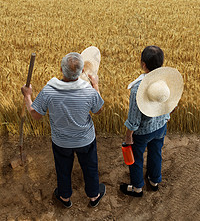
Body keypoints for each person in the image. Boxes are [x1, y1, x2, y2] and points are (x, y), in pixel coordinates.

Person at [21, 52, 106, 208]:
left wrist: (27, 96)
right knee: (90, 167)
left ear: (61, 69)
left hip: (61, 142)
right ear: (81, 72)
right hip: (85, 140)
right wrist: (96, 86)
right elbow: (99, 110)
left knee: (63, 169)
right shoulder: (88, 91)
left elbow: (36, 115)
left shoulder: (49, 90)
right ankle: (94, 196)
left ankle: (64, 197)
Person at [120, 45, 183, 197]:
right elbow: (172, 105)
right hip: (161, 127)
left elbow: (134, 119)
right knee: (156, 153)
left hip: (142, 132)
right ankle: (154, 181)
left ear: (143, 64)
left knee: (136, 158)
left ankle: (137, 188)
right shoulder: (166, 81)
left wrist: (129, 136)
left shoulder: (138, 89)